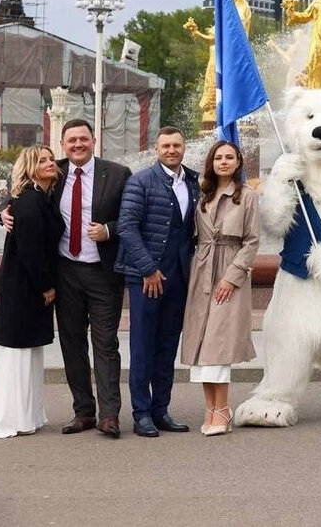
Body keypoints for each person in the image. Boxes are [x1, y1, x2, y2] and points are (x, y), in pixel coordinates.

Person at [0, 120, 133, 437]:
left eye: (83, 139)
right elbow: (18, 190)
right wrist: (3, 210)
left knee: (105, 345)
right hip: (65, 273)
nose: (77, 145)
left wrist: (109, 230)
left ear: (94, 140)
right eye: (71, 140)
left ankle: (109, 415)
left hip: (103, 273)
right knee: (72, 344)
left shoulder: (117, 173)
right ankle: (83, 412)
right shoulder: (52, 171)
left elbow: (131, 216)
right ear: (63, 143)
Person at [115, 127, 199, 438]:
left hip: (178, 276)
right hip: (147, 278)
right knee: (142, 346)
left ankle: (161, 410)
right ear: (157, 148)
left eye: (177, 145)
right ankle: (141, 413)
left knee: (166, 347)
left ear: (184, 148)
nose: (172, 150)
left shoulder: (192, 181)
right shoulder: (141, 181)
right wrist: (148, 269)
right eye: (166, 145)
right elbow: (127, 227)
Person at [0, 146, 62, 438]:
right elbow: (30, 250)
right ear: (29, 167)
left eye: (51, 159)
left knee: (27, 352)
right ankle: (10, 417)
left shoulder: (39, 196)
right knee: (16, 352)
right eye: (42, 160)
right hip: (24, 288)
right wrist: (46, 286)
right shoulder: (28, 201)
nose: (50, 163)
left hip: (26, 287)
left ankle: (25, 415)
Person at [179, 141, 259, 436]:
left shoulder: (247, 196)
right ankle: (211, 408)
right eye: (218, 157)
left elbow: (252, 241)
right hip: (201, 269)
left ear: (238, 162)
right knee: (200, 344)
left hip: (228, 267)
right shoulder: (203, 195)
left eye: (229, 157)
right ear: (211, 162)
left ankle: (223, 409)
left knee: (218, 343)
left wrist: (231, 277)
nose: (224, 162)